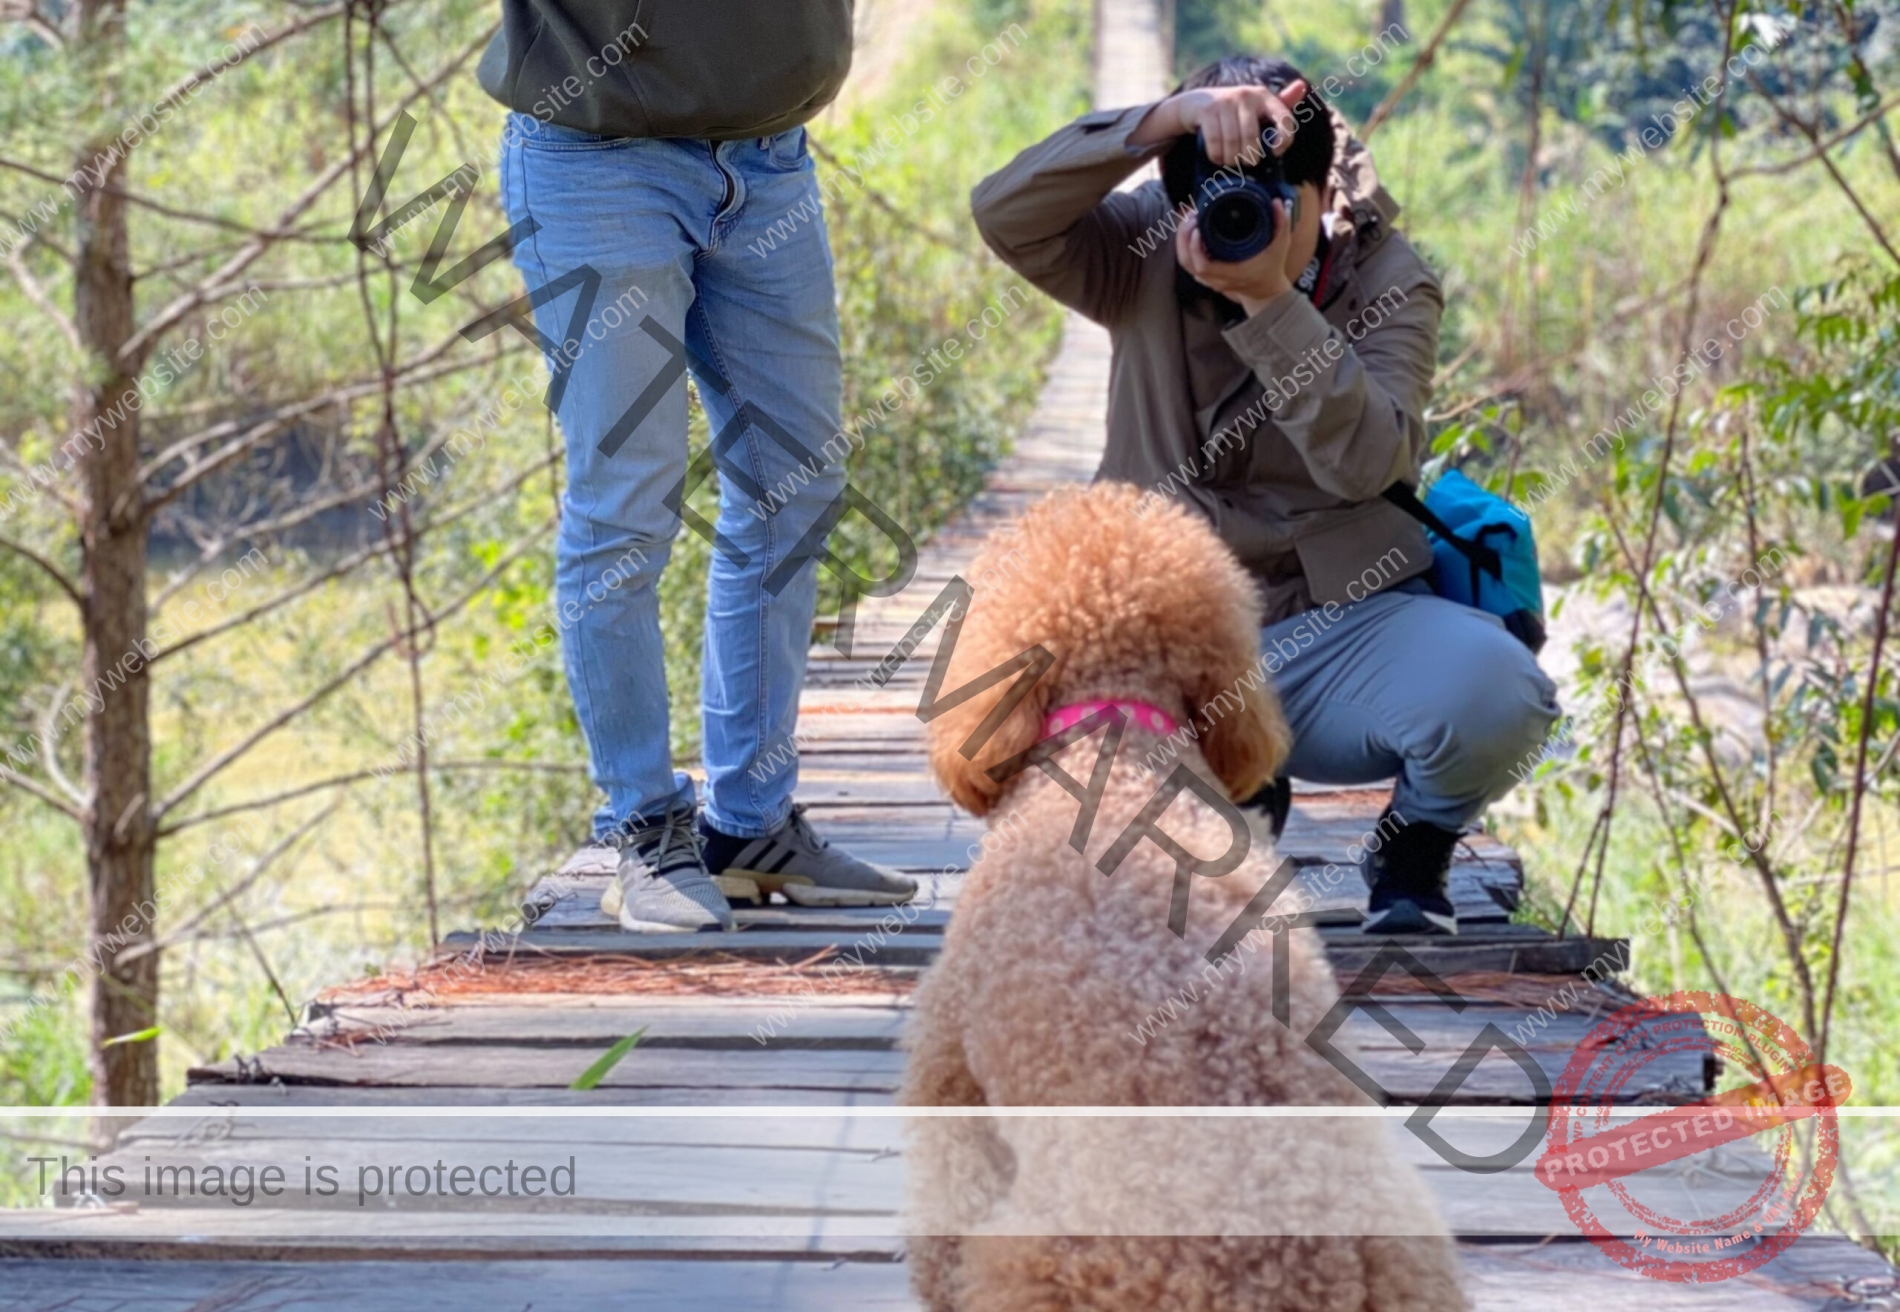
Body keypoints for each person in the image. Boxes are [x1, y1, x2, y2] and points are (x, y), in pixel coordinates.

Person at [971, 55, 1559, 935]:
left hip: (1336, 628)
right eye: (1211, 200)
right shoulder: (1145, 252)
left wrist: (1271, 305)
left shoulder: (1390, 279)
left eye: (1273, 202)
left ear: (1324, 192)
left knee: (1500, 695)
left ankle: (1413, 844)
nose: (1238, 225)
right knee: (1126, 864)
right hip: (1166, 637)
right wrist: (1166, 117)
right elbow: (1004, 211)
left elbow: (1371, 464)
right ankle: (1238, 795)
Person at [478, 1, 916, 931]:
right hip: (601, 165)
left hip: (768, 160)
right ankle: (643, 826)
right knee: (627, 504)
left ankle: (750, 831)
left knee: (797, 490)